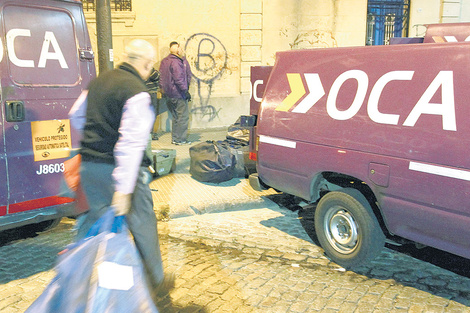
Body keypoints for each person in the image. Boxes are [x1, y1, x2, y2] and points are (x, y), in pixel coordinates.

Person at [68, 39, 172, 297]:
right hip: (119, 173)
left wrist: (96, 139)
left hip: (90, 168)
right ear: (147, 64)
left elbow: (75, 115)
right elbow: (131, 144)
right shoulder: (137, 91)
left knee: (97, 230)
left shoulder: (99, 81)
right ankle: (154, 282)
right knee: (142, 225)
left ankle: (89, 287)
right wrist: (124, 190)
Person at [159, 41, 192, 145]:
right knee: (182, 117)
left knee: (176, 117)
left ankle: (175, 139)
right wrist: (185, 91)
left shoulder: (164, 61)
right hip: (178, 93)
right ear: (177, 50)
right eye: (180, 48)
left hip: (169, 94)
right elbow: (179, 78)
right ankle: (180, 140)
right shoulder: (176, 62)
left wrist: (162, 90)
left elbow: (161, 78)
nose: (182, 50)